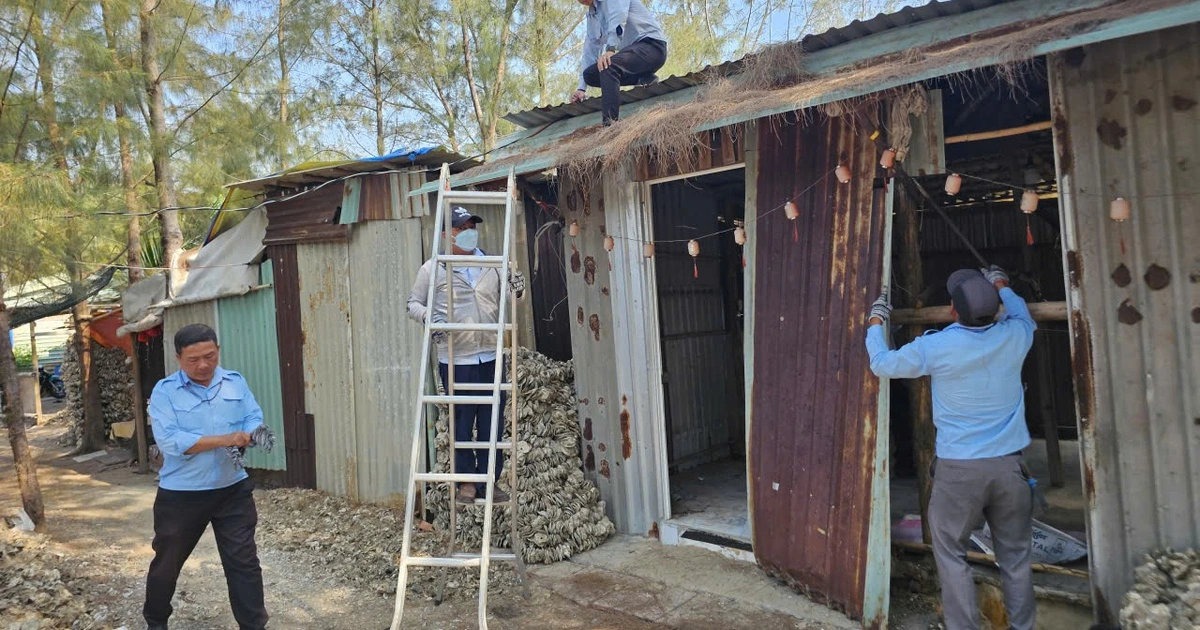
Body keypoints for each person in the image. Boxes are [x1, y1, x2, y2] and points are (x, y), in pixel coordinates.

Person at [864, 266, 1037, 630]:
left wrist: (876, 321)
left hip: (959, 472)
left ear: (953, 312)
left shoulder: (937, 346)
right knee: (1016, 559)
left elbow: (882, 364)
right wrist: (1001, 283)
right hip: (1010, 470)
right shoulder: (1017, 334)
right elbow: (1020, 309)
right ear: (996, 310)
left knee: (952, 555)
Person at [143, 324, 268, 630]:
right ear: (178, 358)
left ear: (218, 351)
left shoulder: (235, 383)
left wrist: (252, 434)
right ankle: (156, 622)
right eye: (193, 360)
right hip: (181, 495)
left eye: (210, 356)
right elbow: (171, 442)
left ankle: (254, 626)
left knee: (244, 563)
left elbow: (254, 416)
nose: (203, 365)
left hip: (232, 489)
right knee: (167, 563)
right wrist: (226, 439)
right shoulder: (165, 392)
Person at [407, 206, 525, 505]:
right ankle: (466, 484)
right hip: (455, 358)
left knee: (492, 423)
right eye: (462, 228)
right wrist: (431, 320)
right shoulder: (433, 268)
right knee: (461, 422)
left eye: (472, 226)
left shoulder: (494, 264)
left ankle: (490, 481)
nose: (470, 232)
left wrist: (516, 287)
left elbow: (511, 299)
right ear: (448, 235)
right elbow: (413, 304)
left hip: (490, 354)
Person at [569, 0, 668, 126]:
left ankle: (610, 126)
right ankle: (644, 78)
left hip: (652, 47)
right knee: (590, 75)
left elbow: (619, 16)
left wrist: (611, 49)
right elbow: (590, 49)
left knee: (608, 66)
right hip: (632, 57)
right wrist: (581, 88)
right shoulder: (592, 16)